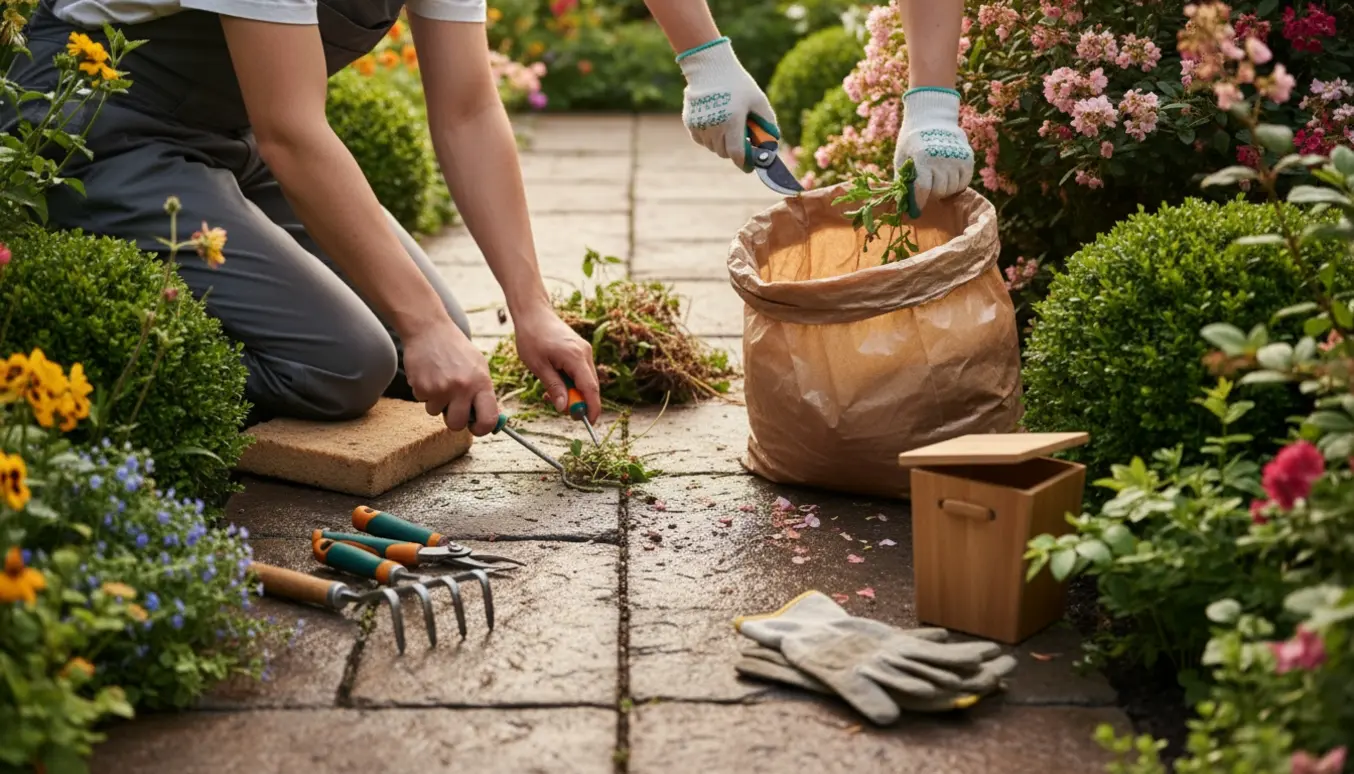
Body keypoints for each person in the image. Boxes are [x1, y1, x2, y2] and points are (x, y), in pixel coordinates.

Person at [0, 0, 764, 437]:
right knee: (350, 363)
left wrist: (532, 310)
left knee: (428, 343)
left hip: (223, 136)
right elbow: (293, 132)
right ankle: (90, 385)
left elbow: (467, 109)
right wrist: (418, 323)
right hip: (95, 126)